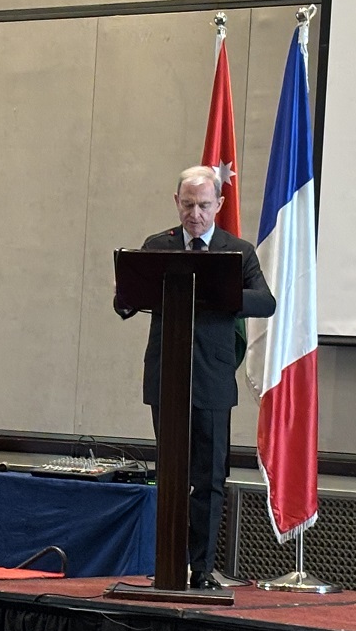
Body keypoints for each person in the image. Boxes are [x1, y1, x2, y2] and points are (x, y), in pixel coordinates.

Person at [115, 165, 275, 590]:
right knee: (171, 475)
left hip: (212, 380)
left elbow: (266, 301)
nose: (195, 214)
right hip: (167, 376)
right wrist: (127, 294)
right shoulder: (158, 246)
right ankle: (170, 564)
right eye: (188, 205)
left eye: (204, 205)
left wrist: (218, 293)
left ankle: (201, 568)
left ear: (219, 204)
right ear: (176, 202)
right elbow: (125, 299)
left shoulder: (235, 251)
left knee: (208, 479)